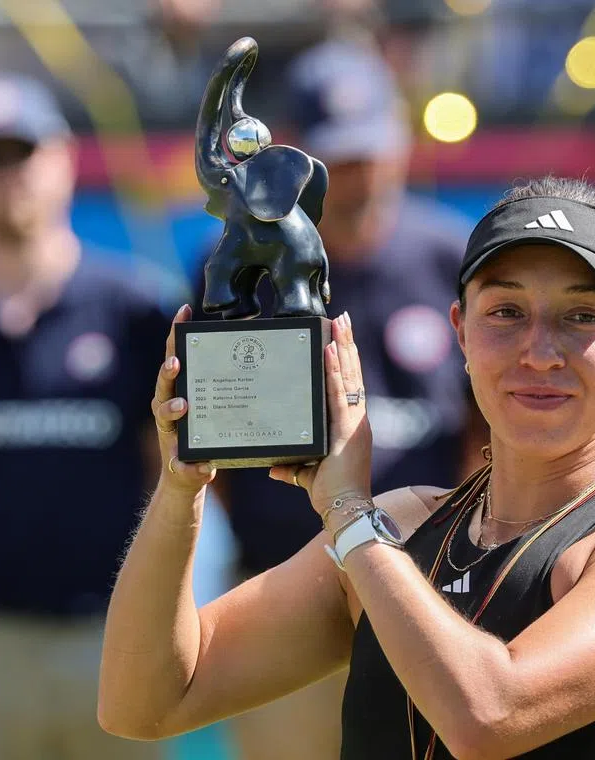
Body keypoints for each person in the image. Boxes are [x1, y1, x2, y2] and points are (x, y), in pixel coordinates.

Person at [98, 176, 595, 758]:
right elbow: (146, 702)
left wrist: (349, 514)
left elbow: (488, 717)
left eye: (582, 316)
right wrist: (182, 485)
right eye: (506, 313)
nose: (540, 353)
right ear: (461, 332)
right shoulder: (401, 527)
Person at [187, 37, 480, 760]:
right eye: (339, 160)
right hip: (281, 594)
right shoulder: (244, 260)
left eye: (370, 152)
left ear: (402, 144)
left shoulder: (454, 259)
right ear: (300, 161)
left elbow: (488, 430)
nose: (359, 176)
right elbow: (216, 426)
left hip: (430, 596)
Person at [0, 74, 170, 760]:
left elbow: (172, 479)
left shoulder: (135, 311)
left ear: (65, 157)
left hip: (111, 639)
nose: (11, 178)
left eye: (24, 153)